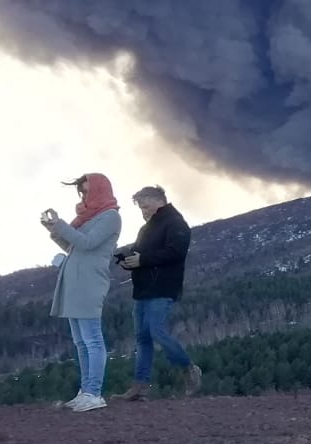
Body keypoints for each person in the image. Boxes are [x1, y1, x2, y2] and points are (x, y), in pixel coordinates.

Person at [42, 173, 122, 412]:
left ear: (100, 190)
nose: (85, 196)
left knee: (92, 340)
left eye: (88, 191)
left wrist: (62, 226)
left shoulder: (110, 217)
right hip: (75, 282)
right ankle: (85, 391)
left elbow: (87, 244)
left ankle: (94, 393)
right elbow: (72, 246)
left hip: (88, 283)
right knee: (81, 342)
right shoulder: (89, 218)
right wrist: (55, 231)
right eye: (82, 192)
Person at [112, 185, 201, 400]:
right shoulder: (147, 228)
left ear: (158, 201)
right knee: (143, 337)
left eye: (145, 206)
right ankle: (140, 387)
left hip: (163, 287)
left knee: (155, 331)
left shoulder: (176, 223)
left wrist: (142, 260)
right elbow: (140, 252)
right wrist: (128, 260)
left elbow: (176, 252)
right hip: (143, 289)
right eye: (141, 208)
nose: (143, 211)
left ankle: (189, 368)